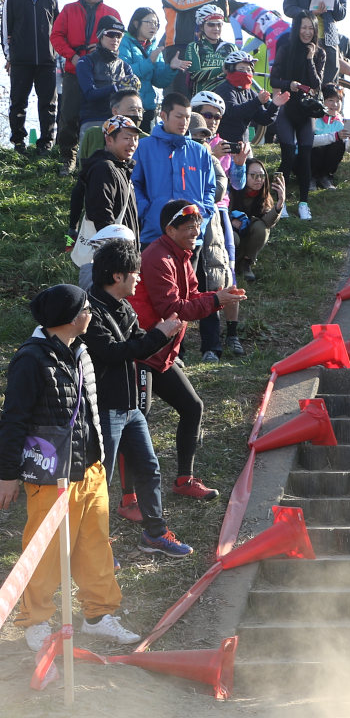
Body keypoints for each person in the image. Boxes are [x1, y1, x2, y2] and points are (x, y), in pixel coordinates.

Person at [0, 284, 142, 652]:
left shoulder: (80, 352)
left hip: (90, 470)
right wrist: (7, 474)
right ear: (69, 317)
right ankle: (36, 621)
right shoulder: (30, 359)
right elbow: (13, 419)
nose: (90, 313)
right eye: (85, 309)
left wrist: (99, 460)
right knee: (44, 549)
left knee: (95, 545)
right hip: (51, 474)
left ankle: (97, 615)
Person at [129, 200, 245, 500]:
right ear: (170, 229)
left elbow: (192, 296)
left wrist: (219, 296)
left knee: (192, 407)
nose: (196, 231)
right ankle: (129, 498)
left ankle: (184, 480)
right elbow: (173, 309)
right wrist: (217, 300)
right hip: (142, 354)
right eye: (189, 227)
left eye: (197, 226)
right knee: (135, 423)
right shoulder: (157, 257)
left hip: (162, 354)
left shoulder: (182, 255)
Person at [83, 240, 192, 556]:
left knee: (148, 467)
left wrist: (162, 334)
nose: (138, 279)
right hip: (105, 409)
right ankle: (94, 548)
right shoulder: (91, 313)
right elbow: (114, 353)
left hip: (130, 409)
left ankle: (155, 533)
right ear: (117, 276)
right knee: (99, 480)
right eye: (135, 274)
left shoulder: (123, 307)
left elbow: (140, 343)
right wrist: (161, 334)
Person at [189, 96, 246, 360]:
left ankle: (230, 333)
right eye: (207, 115)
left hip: (219, 212)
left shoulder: (225, 143)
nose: (212, 121)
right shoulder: (193, 144)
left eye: (217, 117)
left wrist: (238, 163)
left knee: (224, 272)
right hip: (192, 213)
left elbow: (236, 185)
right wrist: (210, 155)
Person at [50, 0, 120, 174]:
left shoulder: (111, 12)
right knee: (69, 114)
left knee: (105, 115)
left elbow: (118, 40)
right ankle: (67, 157)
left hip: (104, 73)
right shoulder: (69, 9)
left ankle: (105, 157)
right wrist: (72, 56)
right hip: (74, 70)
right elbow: (56, 36)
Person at [132, 91, 217, 246]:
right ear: (163, 116)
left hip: (192, 237)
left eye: (188, 117)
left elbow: (210, 189)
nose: (184, 122)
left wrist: (203, 213)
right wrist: (146, 211)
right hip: (154, 234)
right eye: (179, 116)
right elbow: (134, 184)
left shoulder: (200, 151)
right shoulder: (143, 148)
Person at [73, 115, 145, 289]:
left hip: (115, 259)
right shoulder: (103, 168)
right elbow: (101, 214)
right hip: (106, 262)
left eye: (135, 139)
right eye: (126, 138)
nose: (132, 143)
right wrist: (118, 256)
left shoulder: (121, 168)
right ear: (109, 139)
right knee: (98, 309)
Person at [271, 12, 324, 220]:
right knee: (287, 156)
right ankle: (280, 202)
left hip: (307, 111)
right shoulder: (286, 47)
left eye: (311, 28)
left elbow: (317, 86)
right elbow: (274, 79)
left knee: (305, 156)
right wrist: (288, 85)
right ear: (297, 28)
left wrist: (310, 59)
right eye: (303, 27)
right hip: (287, 108)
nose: (307, 32)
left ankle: (303, 203)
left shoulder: (319, 53)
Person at [4, 0, 59, 154]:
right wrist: (9, 56)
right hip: (21, 60)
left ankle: (46, 143)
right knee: (18, 102)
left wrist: (58, 56)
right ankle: (19, 142)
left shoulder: (51, 0)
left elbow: (58, 32)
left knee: (49, 103)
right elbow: (6, 29)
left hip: (47, 61)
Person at [160, 0, 226, 93]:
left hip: (202, 47)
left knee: (202, 90)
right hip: (178, 46)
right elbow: (180, 5)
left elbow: (222, 16)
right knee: (180, 93)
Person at [120, 7, 187, 133]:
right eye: (149, 22)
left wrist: (170, 68)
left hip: (148, 108)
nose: (153, 27)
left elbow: (159, 81)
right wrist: (149, 61)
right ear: (136, 23)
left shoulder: (154, 47)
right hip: (127, 109)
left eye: (156, 24)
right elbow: (126, 72)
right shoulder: (124, 42)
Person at [76, 16, 139, 132]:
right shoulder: (85, 62)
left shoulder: (125, 66)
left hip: (119, 121)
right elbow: (89, 94)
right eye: (111, 34)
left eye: (119, 35)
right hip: (93, 120)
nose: (115, 39)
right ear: (100, 35)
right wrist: (116, 87)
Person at [212, 49, 284, 146]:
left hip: (243, 144)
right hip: (224, 144)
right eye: (241, 69)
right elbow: (233, 112)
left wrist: (275, 105)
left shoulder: (251, 93)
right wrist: (257, 101)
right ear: (231, 69)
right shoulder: (225, 89)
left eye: (249, 70)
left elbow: (263, 119)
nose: (246, 73)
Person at [229, 159, 284, 282]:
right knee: (233, 237)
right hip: (232, 235)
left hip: (249, 237)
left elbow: (268, 223)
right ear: (243, 175)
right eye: (253, 175)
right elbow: (220, 214)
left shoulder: (263, 195)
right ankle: (229, 265)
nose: (258, 179)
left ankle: (246, 263)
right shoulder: (232, 191)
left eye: (261, 175)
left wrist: (280, 203)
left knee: (261, 228)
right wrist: (230, 221)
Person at [181, 3, 229, 96]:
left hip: (226, 97)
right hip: (202, 98)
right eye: (211, 25)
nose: (216, 28)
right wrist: (222, 69)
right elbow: (195, 75)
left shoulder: (230, 47)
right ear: (201, 27)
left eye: (219, 24)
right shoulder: (194, 46)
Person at [312, 83, 350, 187]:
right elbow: (308, 141)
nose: (335, 105)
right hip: (309, 160)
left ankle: (325, 177)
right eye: (330, 100)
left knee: (339, 144)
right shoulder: (313, 118)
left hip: (327, 160)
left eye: (338, 101)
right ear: (322, 101)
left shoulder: (341, 122)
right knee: (315, 146)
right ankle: (310, 178)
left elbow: (349, 149)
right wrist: (335, 136)